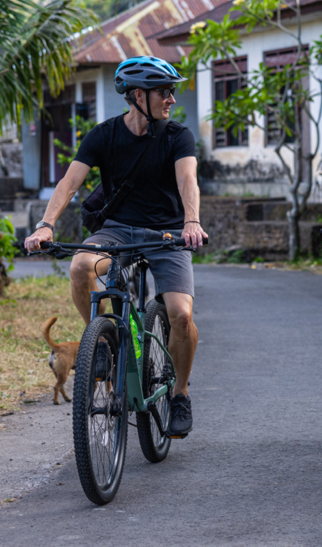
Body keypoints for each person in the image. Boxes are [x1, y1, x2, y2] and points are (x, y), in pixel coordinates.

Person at [24, 55, 206, 438]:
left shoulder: (178, 136)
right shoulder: (103, 135)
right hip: (117, 230)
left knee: (181, 315)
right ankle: (101, 340)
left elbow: (188, 179)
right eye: (164, 92)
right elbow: (69, 183)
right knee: (79, 267)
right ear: (138, 95)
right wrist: (45, 225)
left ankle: (180, 395)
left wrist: (192, 221)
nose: (171, 99)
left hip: (169, 234)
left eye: (171, 91)